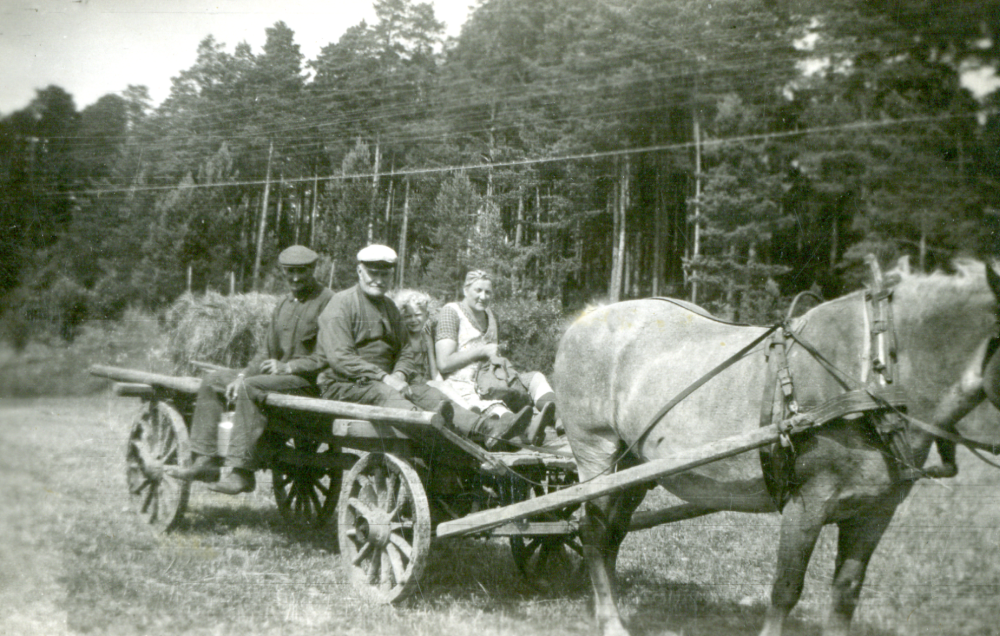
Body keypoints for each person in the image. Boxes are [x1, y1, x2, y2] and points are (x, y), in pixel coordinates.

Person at [315, 245, 531, 449]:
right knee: (387, 395)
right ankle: (438, 435)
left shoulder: (389, 307)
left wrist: (399, 373)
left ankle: (488, 430)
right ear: (360, 271)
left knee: (432, 395)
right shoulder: (341, 304)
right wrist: (385, 378)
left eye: (385, 275)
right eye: (373, 273)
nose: (379, 280)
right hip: (346, 384)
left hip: (387, 382)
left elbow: (406, 351)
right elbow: (340, 358)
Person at [169, 245, 334, 494]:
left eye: (302, 271)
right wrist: (243, 374)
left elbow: (327, 356)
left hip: (307, 383)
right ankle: (206, 460)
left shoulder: (328, 302)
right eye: (290, 272)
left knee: (250, 387)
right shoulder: (284, 304)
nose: (296, 278)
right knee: (213, 379)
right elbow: (265, 352)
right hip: (276, 378)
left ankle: (242, 471)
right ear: (284, 272)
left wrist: (289, 366)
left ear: (314, 269)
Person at [435, 269, 557, 446]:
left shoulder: (491, 315)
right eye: (478, 290)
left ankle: (560, 419)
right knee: (495, 406)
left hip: (490, 377)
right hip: (461, 381)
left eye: (488, 292)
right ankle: (526, 427)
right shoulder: (451, 312)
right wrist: (482, 352)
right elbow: (444, 363)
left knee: (535, 379)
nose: (483, 297)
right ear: (465, 290)